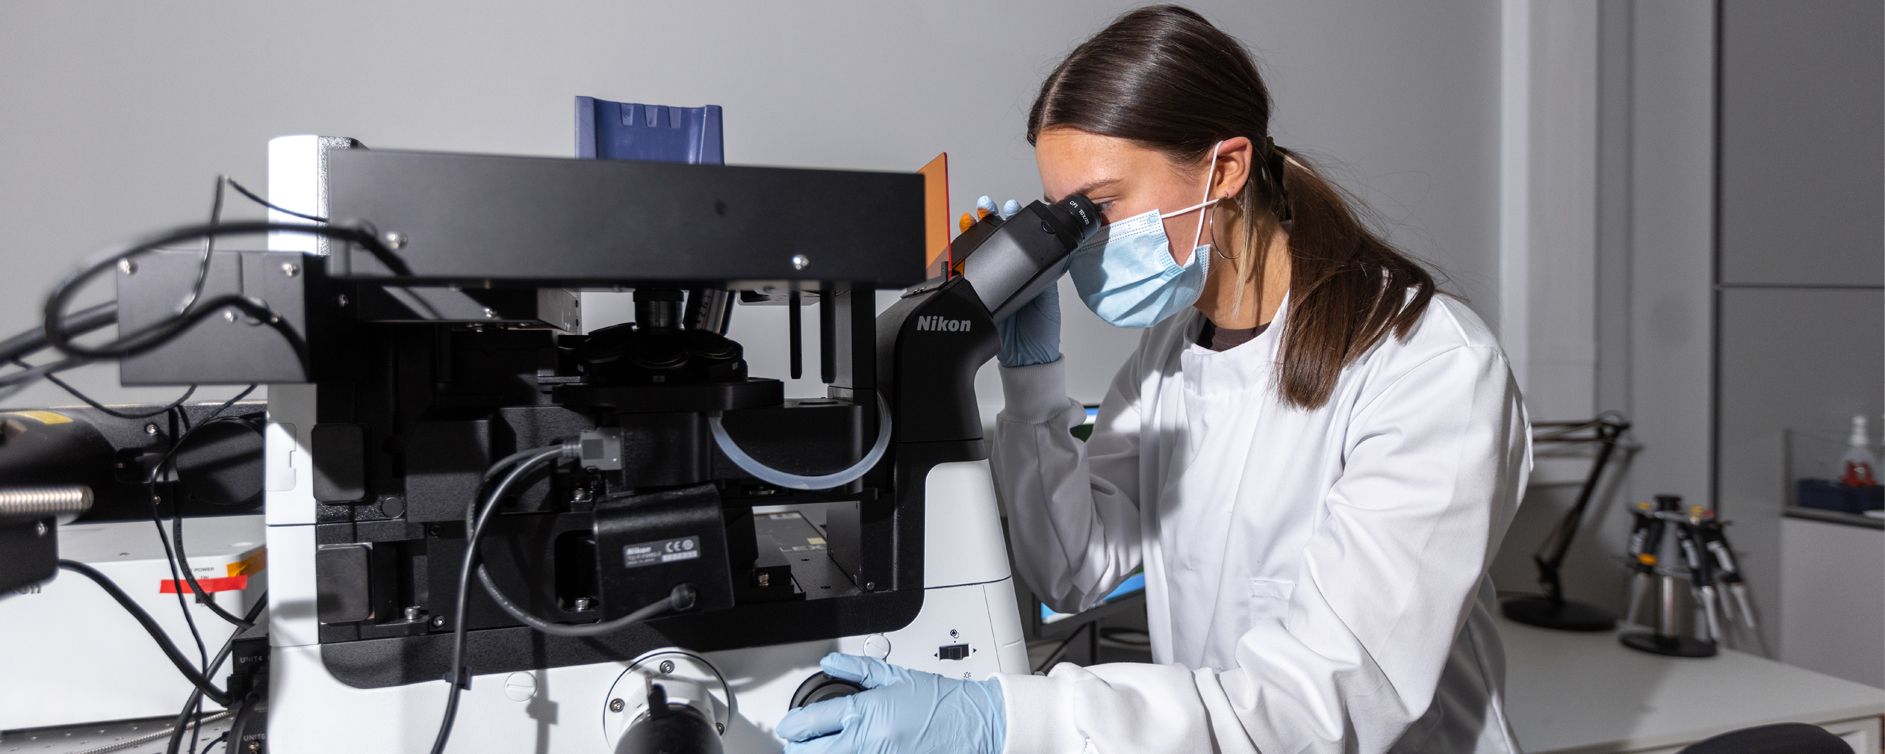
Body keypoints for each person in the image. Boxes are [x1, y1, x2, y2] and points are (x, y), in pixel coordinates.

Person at [777, 5, 1531, 752]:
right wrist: (1032, 382)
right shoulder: (1173, 356)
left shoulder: (1426, 367)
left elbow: (1323, 706)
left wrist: (1007, 719)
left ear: (1225, 168)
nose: (1084, 244)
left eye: (1101, 207)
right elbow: (1071, 573)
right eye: (1067, 215)